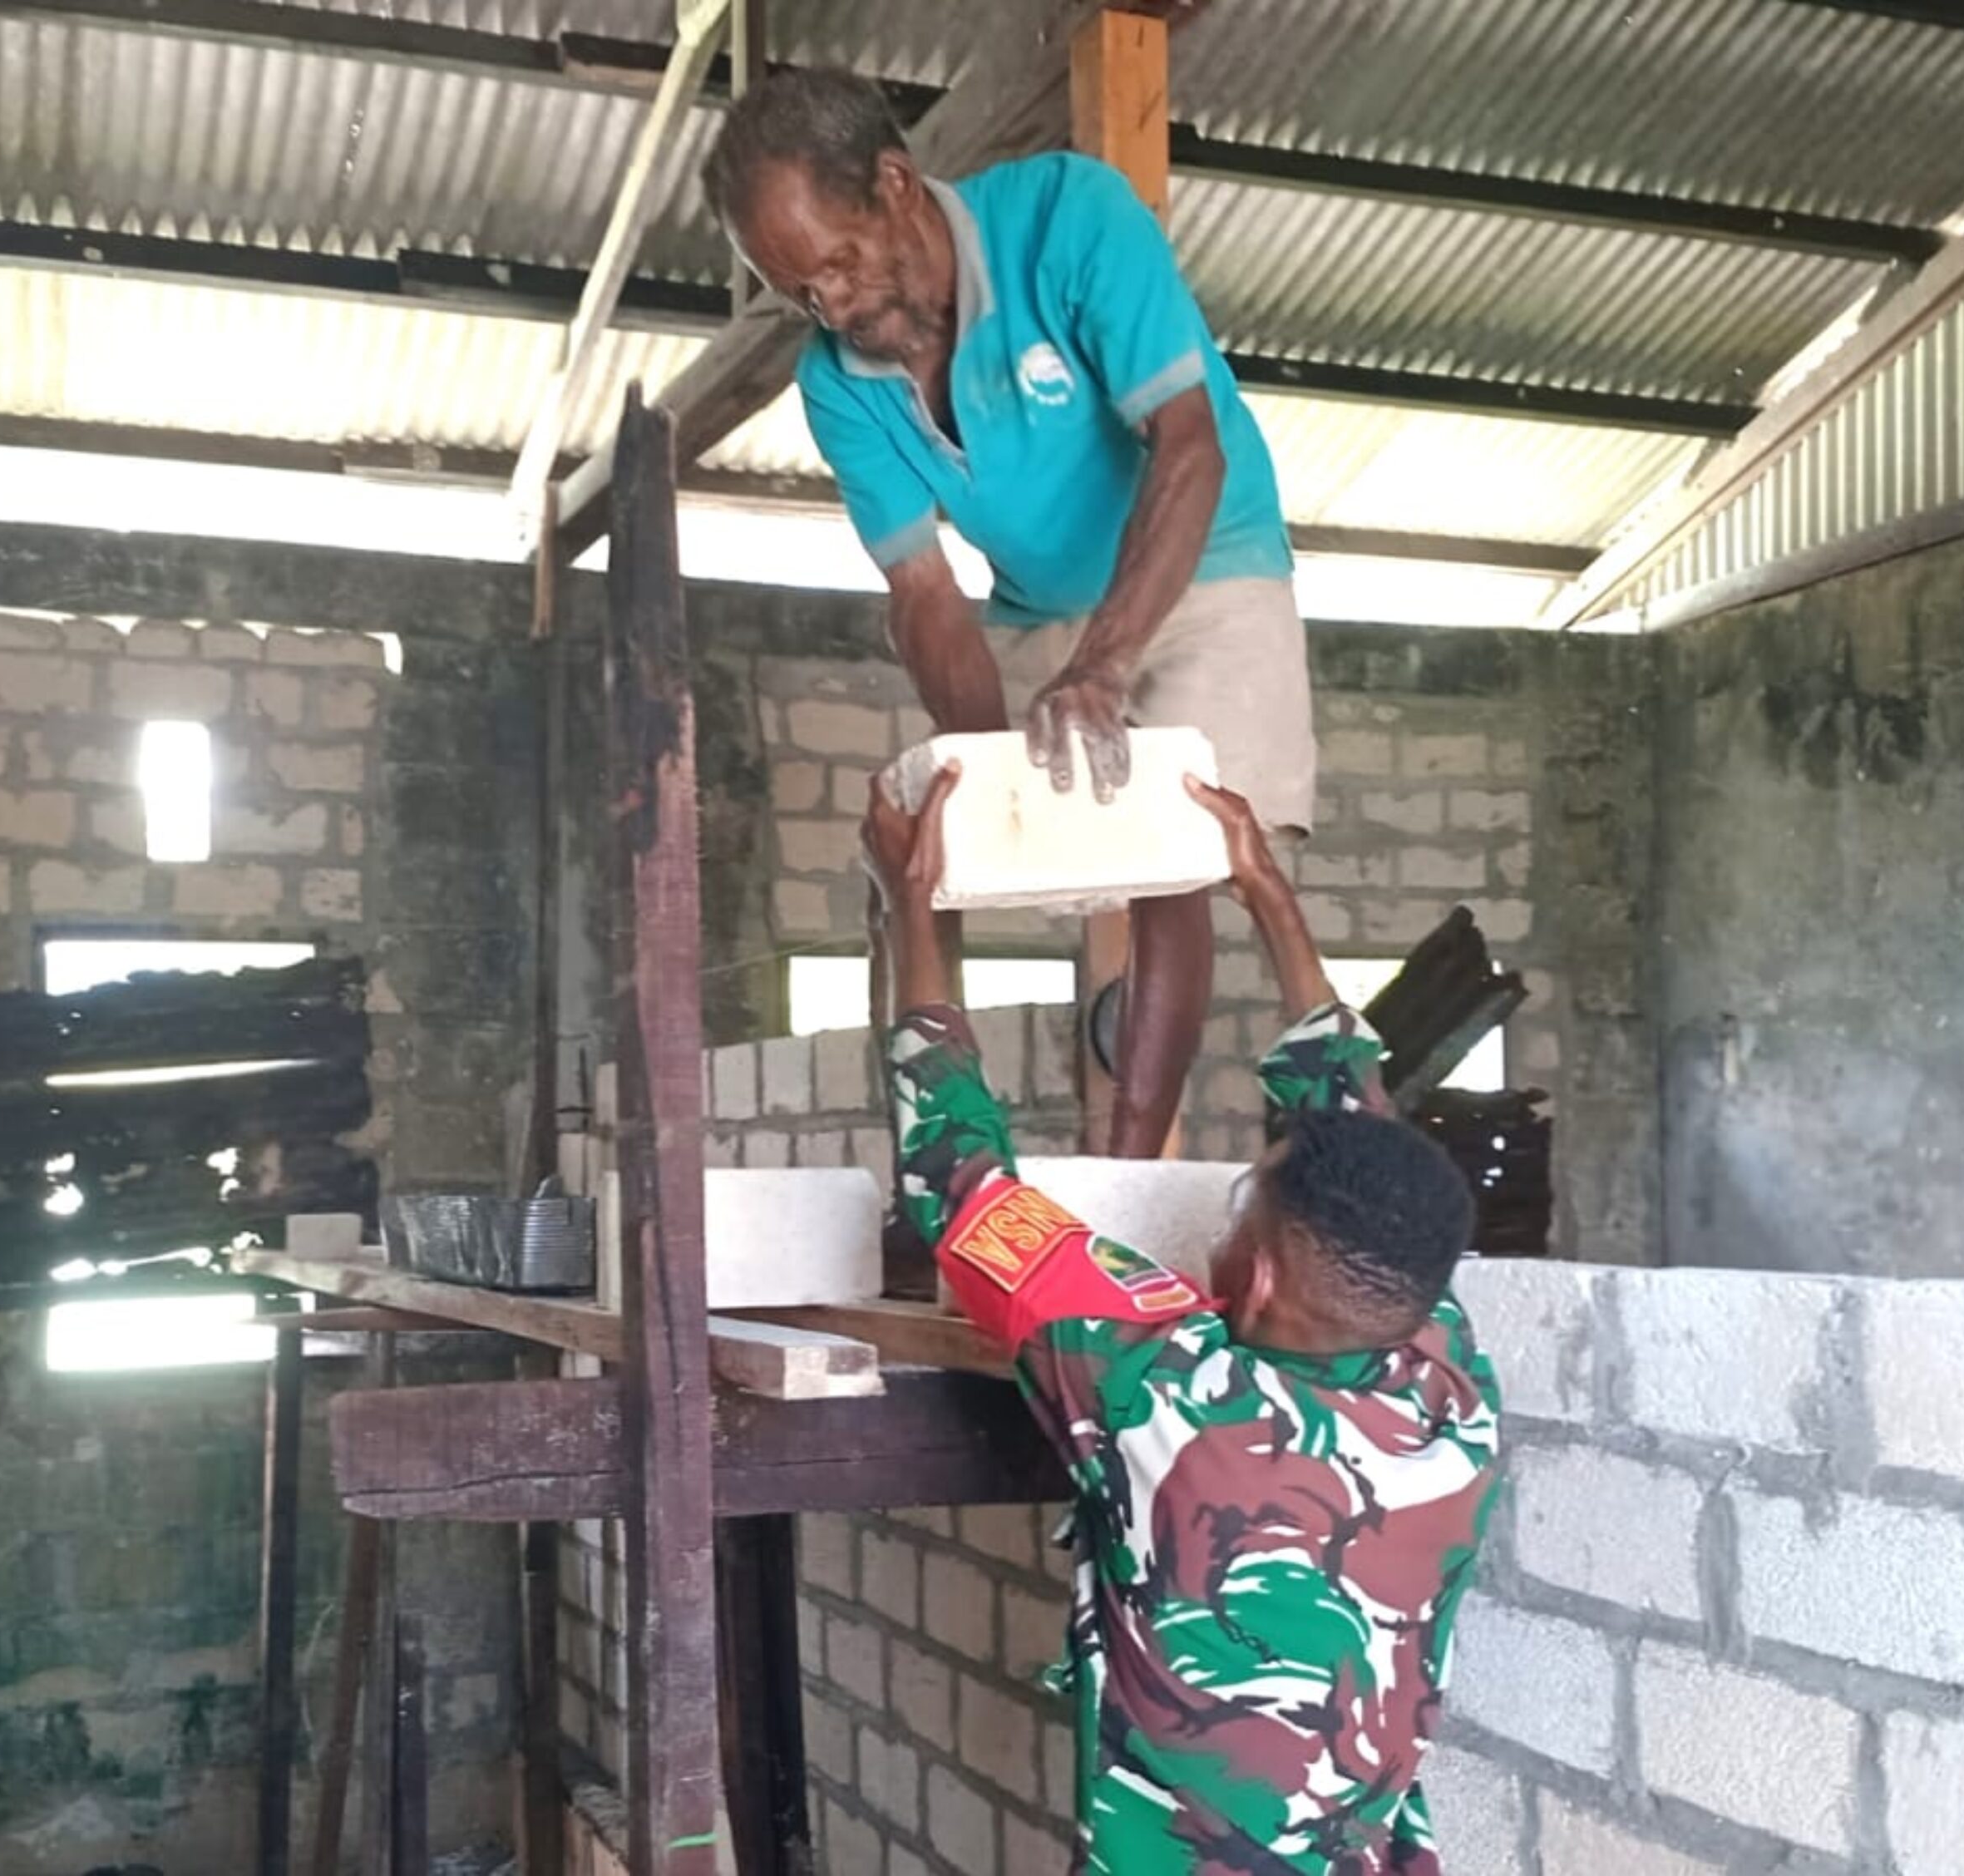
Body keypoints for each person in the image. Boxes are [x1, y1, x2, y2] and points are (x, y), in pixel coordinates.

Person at [863, 758, 1505, 1875]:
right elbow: (1362, 1140)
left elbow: (958, 1180)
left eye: (1235, 1216)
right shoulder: (1446, 1375)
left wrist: (908, 904)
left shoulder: (1157, 1389)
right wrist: (1263, 894)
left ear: (1248, 1282)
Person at [703, 66, 1313, 1158]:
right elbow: (925, 595)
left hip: (1202, 555)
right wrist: (981, 764)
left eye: (838, 264)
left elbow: (1189, 445)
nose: (831, 306)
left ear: (896, 185)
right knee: (928, 846)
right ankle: (944, 1154)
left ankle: (1130, 1158)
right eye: (803, 291)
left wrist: (1108, 667)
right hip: (1039, 604)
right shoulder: (837, 379)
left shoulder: (1070, 218)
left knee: (1171, 847)